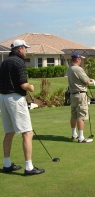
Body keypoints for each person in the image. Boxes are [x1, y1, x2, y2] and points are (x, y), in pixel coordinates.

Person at [0, 39, 45, 175]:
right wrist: (31, 87)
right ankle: (29, 167)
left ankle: (7, 164)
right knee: (27, 132)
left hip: (3, 97)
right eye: (25, 48)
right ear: (19, 49)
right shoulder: (19, 62)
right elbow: (23, 84)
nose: (26, 51)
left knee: (9, 132)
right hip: (15, 98)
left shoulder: (5, 62)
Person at [67, 52, 95, 143]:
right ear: (78, 59)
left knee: (74, 115)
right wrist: (91, 81)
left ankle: (74, 134)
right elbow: (86, 81)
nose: (81, 61)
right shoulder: (78, 69)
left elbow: (82, 80)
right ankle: (81, 137)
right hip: (80, 95)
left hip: (73, 95)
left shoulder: (70, 68)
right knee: (81, 116)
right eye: (80, 59)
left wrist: (90, 80)